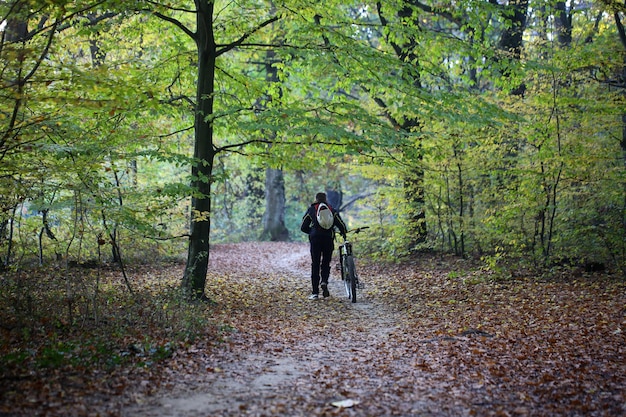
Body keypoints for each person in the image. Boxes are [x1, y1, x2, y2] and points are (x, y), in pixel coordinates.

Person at [300, 192, 348, 300]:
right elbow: (341, 224)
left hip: (315, 240)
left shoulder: (312, 209)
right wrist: (343, 233)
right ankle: (324, 281)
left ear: (316, 199)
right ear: (325, 199)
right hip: (328, 239)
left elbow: (303, 227)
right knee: (326, 262)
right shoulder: (331, 209)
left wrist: (312, 232)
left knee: (315, 264)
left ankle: (315, 292)